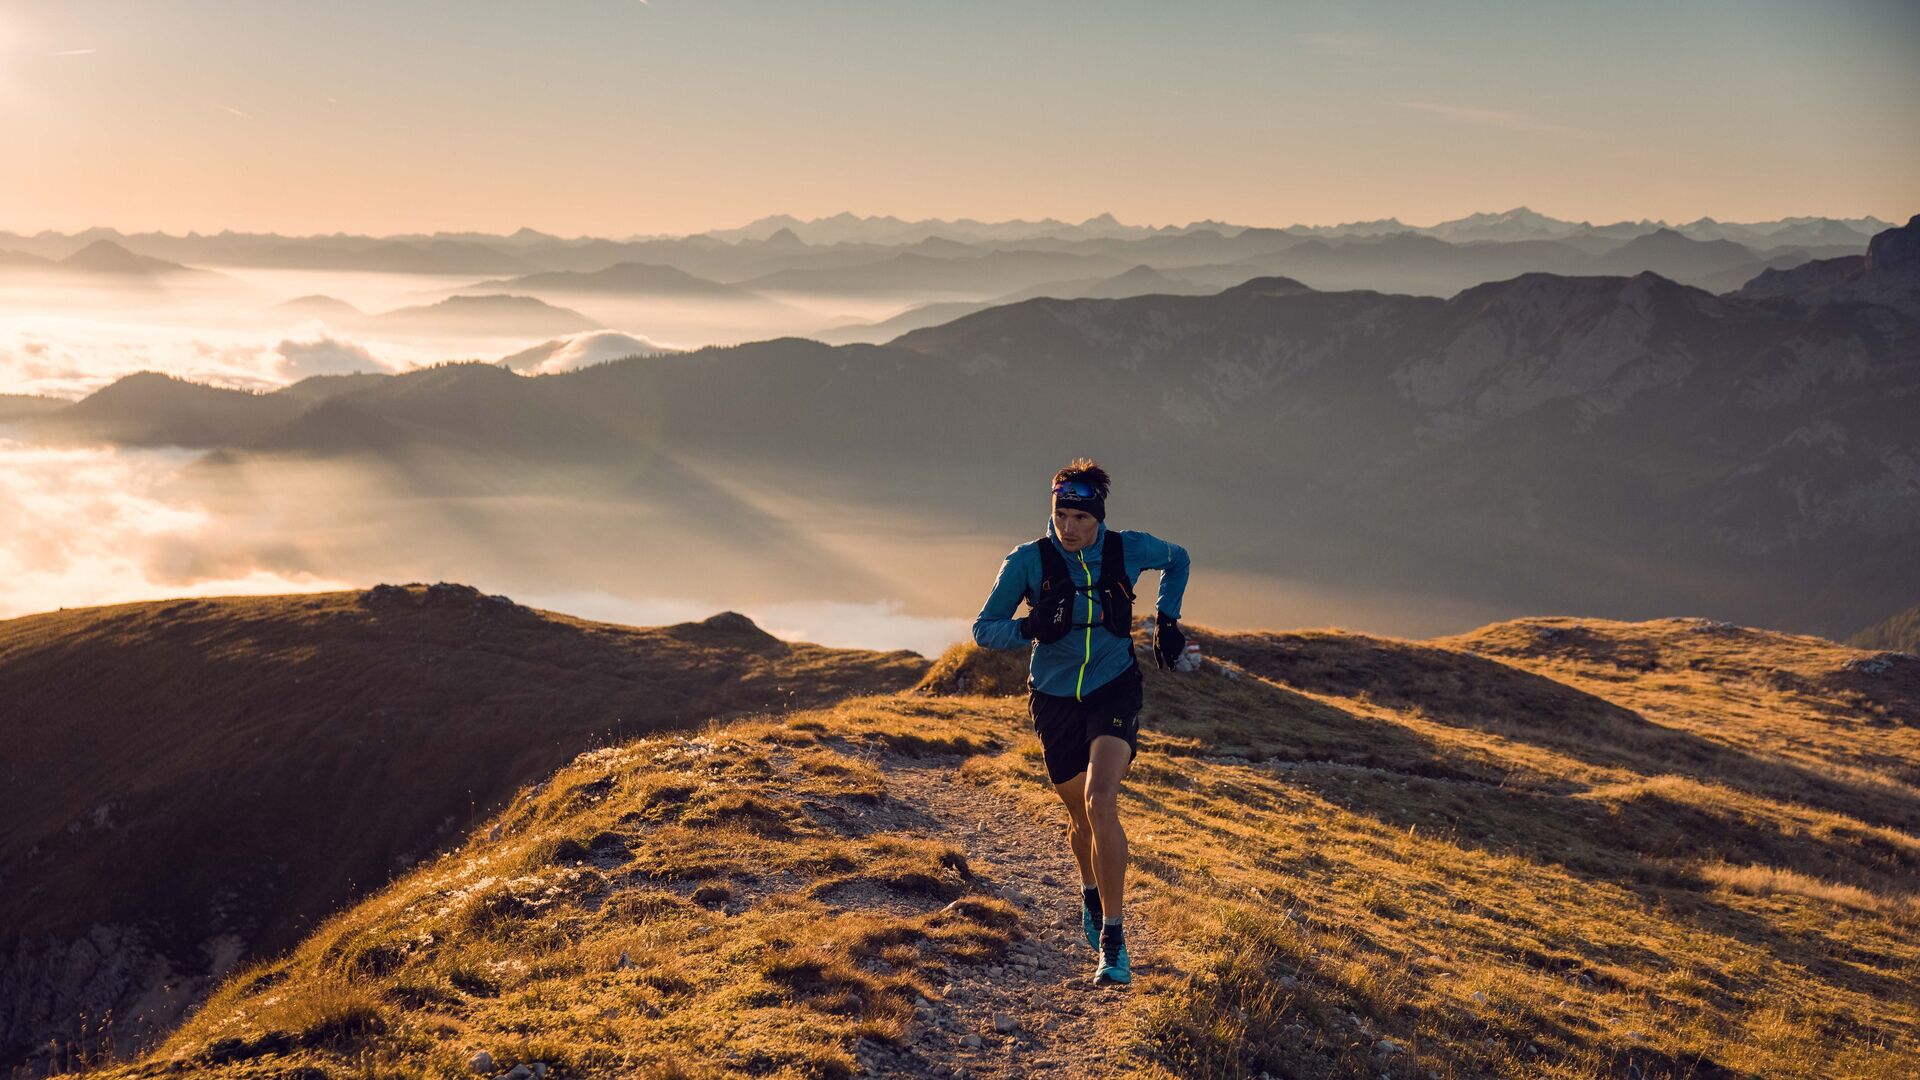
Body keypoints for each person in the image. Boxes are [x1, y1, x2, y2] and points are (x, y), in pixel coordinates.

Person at [971, 458, 1192, 985]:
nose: (1068, 526)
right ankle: (1091, 892)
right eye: (1061, 513)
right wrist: (1029, 629)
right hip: (1053, 696)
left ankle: (1114, 940)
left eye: (1079, 517)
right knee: (1079, 815)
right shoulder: (1028, 560)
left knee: (1101, 799)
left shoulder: (1128, 548)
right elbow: (984, 629)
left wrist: (1167, 617)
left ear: (1099, 517)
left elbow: (1179, 558)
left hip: (1114, 684)